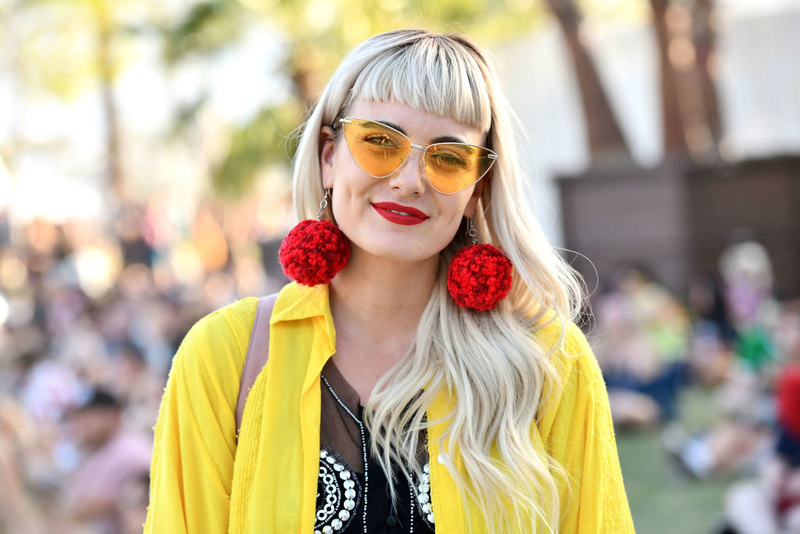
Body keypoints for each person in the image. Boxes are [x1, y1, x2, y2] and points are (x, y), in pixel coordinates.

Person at [145, 29, 634, 533]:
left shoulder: (550, 362)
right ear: (329, 156)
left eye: (448, 157)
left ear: (476, 188)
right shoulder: (224, 356)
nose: (409, 179)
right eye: (380, 142)